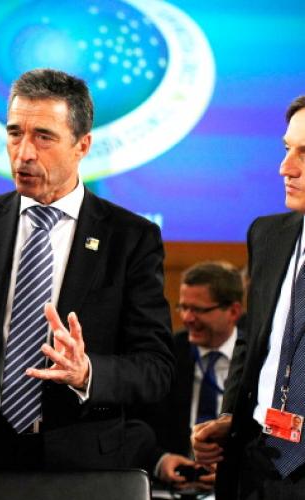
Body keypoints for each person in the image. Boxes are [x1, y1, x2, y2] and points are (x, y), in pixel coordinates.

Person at [0, 68, 174, 472]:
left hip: (78, 464)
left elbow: (156, 368)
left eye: (43, 137)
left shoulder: (130, 237)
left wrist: (88, 373)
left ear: (83, 145)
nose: (24, 152)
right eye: (15, 133)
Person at [192, 96, 305, 499]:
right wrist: (231, 415)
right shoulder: (268, 235)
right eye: (287, 148)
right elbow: (251, 339)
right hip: (252, 464)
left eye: (304, 154)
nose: (285, 168)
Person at [142, 261, 243, 492]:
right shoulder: (165, 353)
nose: (187, 318)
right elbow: (138, 420)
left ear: (233, 311)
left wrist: (234, 473)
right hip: (169, 488)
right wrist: (161, 459)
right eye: (183, 307)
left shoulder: (258, 359)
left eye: (198, 310)